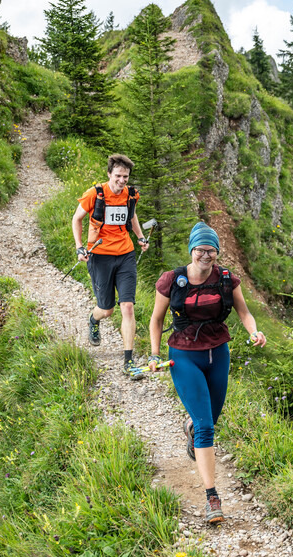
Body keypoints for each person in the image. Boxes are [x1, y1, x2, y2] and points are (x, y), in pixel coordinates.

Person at [148, 222, 267, 524]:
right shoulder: (172, 280)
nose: (206, 255)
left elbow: (243, 312)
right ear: (191, 250)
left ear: (216, 252)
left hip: (218, 353)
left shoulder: (227, 279)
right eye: (200, 249)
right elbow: (156, 319)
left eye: (211, 250)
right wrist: (153, 354)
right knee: (206, 428)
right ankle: (212, 497)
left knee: (210, 419)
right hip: (184, 356)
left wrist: (254, 331)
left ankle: (192, 426)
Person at [72, 153, 150, 378]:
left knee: (128, 306)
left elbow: (132, 216)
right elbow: (77, 219)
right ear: (109, 174)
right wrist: (79, 247)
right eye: (118, 175)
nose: (122, 180)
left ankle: (128, 362)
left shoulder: (131, 194)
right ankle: (94, 319)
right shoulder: (95, 194)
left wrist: (140, 237)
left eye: (125, 176)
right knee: (107, 309)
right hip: (100, 255)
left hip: (125, 254)